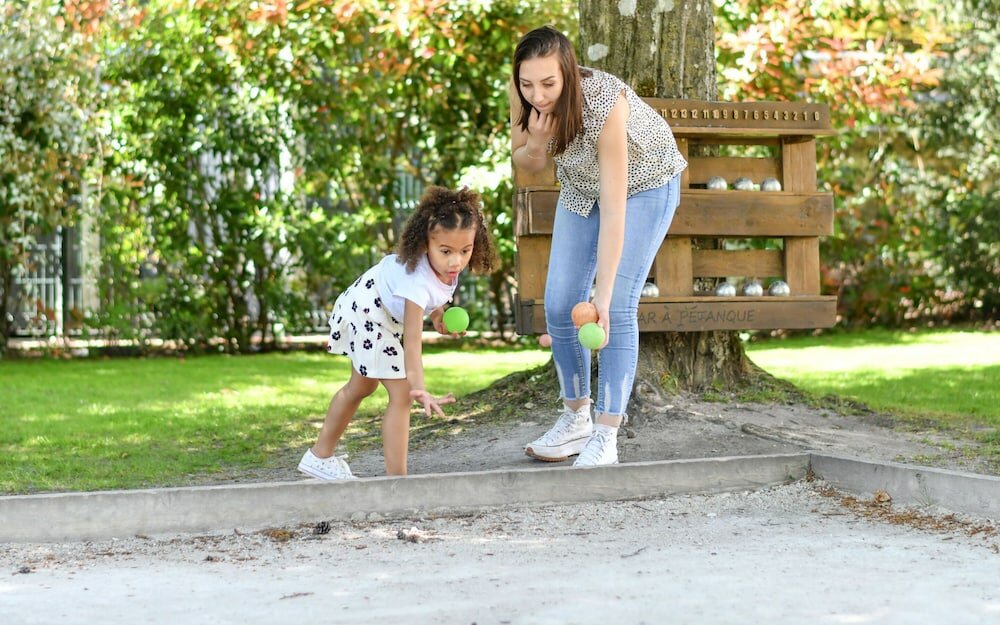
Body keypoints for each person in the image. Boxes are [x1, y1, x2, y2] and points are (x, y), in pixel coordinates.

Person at [511, 26, 687, 466]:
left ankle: (607, 434)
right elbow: (525, 160)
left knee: (618, 307)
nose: (538, 94)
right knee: (558, 305)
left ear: (568, 73)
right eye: (528, 84)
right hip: (580, 187)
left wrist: (603, 294)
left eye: (549, 84)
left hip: (645, 185)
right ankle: (576, 420)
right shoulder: (524, 93)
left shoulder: (605, 105)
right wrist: (534, 142)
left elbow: (615, 207)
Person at [297, 186, 498, 480]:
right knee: (402, 394)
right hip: (369, 312)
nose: (456, 261)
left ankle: (319, 456)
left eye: (465, 251)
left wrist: (440, 317)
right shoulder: (417, 280)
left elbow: (437, 300)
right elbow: (413, 342)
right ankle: (397, 482)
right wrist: (419, 387)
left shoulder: (447, 268)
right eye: (446, 251)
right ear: (425, 244)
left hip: (377, 312)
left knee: (361, 387)